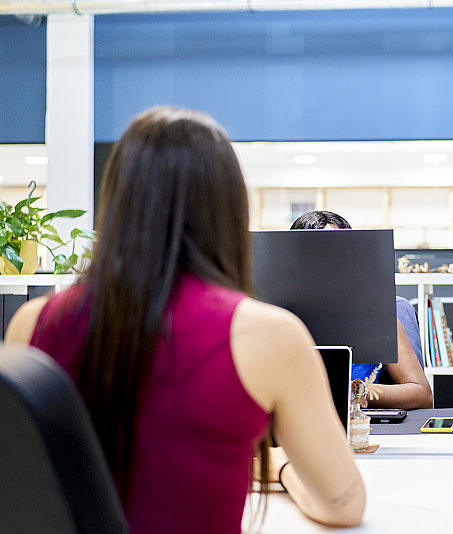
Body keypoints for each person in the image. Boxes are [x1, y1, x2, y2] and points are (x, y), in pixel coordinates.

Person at [4, 107, 364, 533]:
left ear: (117, 202)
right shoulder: (269, 335)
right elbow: (344, 504)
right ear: (229, 210)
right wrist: (278, 466)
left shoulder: (32, 323)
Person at [290, 210, 433, 410]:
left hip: (361, 427)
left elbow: (422, 394)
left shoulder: (378, 315)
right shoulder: (279, 318)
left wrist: (357, 390)